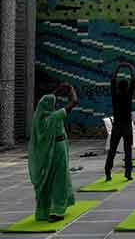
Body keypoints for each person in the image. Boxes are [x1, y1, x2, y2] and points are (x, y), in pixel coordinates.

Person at [29, 84, 78, 222]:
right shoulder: (54, 117)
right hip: (58, 150)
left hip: (48, 154)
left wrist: (56, 91)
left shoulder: (39, 119)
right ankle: (58, 210)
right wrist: (71, 89)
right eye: (53, 104)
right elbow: (74, 102)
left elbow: (49, 99)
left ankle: (46, 210)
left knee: (48, 181)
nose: (55, 105)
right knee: (60, 179)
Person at [105, 62, 135, 181]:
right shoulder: (128, 95)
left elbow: (112, 81)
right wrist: (130, 67)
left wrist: (118, 67)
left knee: (112, 150)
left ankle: (108, 172)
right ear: (127, 86)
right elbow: (134, 80)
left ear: (118, 86)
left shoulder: (115, 95)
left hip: (117, 125)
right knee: (128, 150)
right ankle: (128, 173)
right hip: (127, 126)